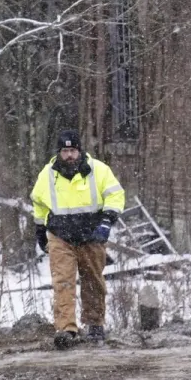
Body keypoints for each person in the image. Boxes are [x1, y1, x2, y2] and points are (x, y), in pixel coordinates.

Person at [30, 129, 125, 349]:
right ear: (59, 152)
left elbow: (116, 195)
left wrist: (106, 222)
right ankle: (66, 330)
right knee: (63, 282)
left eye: (73, 150)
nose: (69, 155)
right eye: (65, 151)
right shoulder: (47, 174)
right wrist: (39, 230)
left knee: (93, 280)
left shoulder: (99, 170)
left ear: (80, 151)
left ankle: (94, 324)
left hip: (91, 235)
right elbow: (38, 203)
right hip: (60, 236)